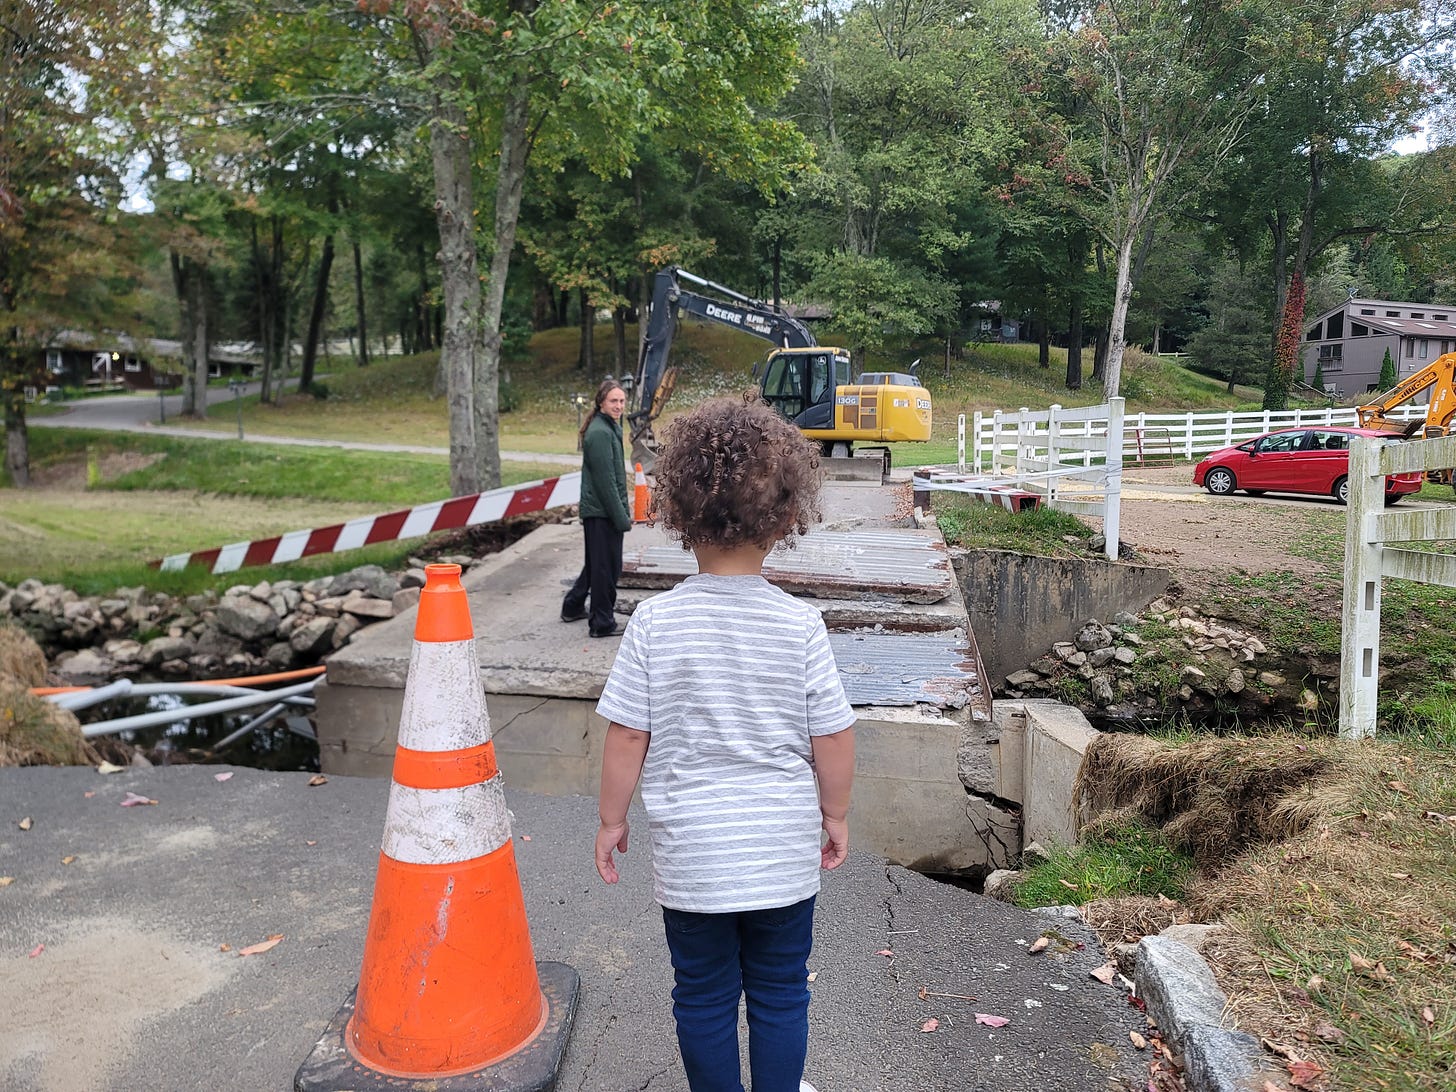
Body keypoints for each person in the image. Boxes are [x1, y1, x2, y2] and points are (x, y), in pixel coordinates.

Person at [593, 392, 857, 1092]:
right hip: (779, 851)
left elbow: (627, 733)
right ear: (782, 519)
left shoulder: (655, 624)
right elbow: (832, 732)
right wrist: (834, 814)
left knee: (703, 995)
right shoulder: (800, 626)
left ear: (680, 513)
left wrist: (612, 819)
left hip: (695, 858)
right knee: (780, 990)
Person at [561, 379, 632, 638]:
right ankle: (601, 623)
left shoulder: (608, 427)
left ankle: (572, 605)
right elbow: (606, 483)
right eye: (614, 401)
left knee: (595, 564)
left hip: (601, 512)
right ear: (601, 402)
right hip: (602, 513)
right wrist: (622, 517)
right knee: (606, 569)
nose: (619, 406)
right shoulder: (600, 434)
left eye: (622, 401)